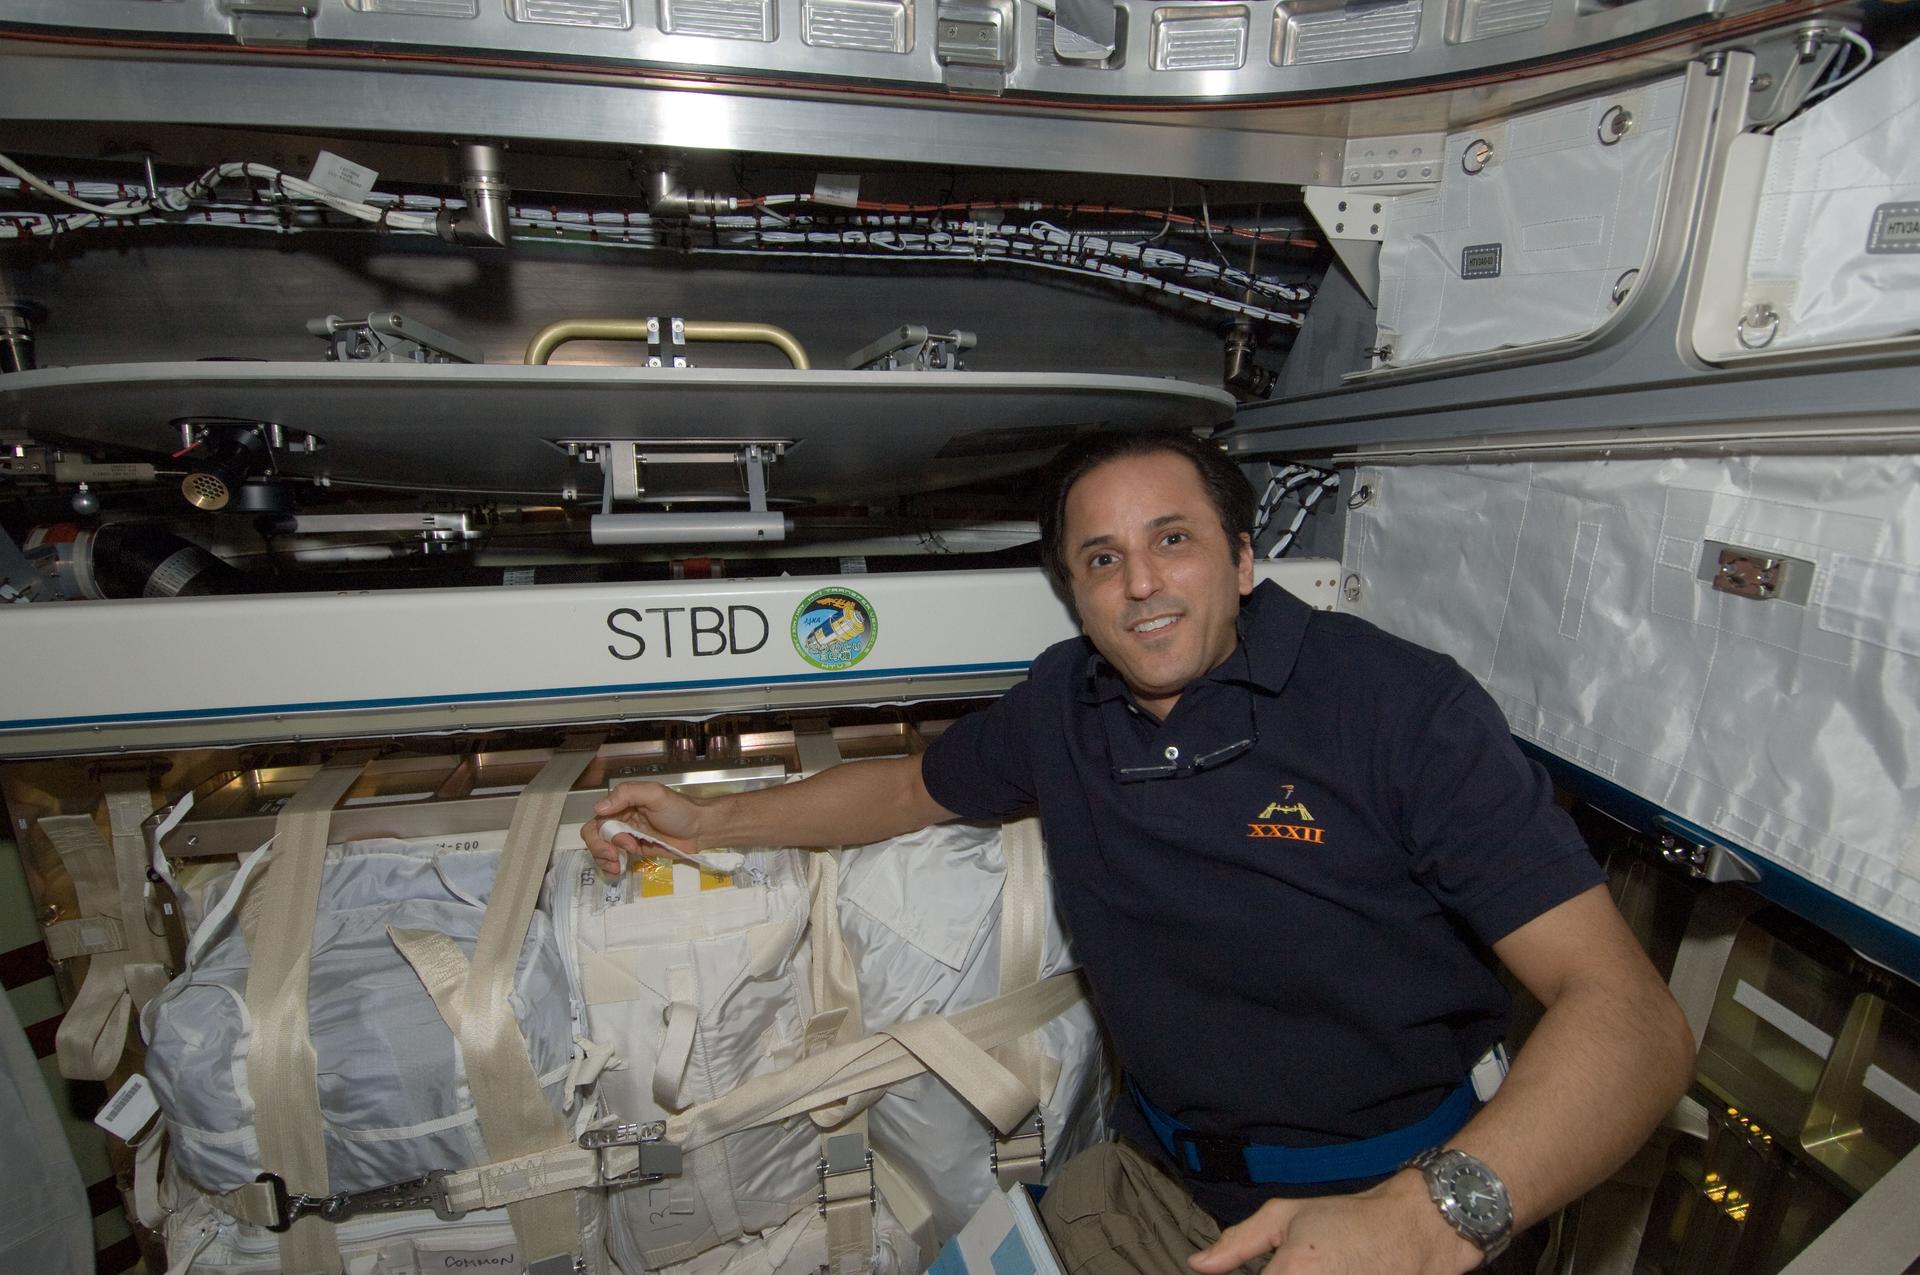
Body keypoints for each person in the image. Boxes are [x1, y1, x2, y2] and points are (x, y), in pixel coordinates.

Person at [583, 428, 1696, 1275]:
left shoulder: (1399, 709)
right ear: (1075, 594)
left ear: (1243, 559)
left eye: (1173, 540)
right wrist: (707, 820)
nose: (1142, 583)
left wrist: (1423, 1220)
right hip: (1150, 1188)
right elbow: (912, 787)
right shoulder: (1063, 705)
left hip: (1378, 1204)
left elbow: (1631, 1019)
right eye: (1101, 558)